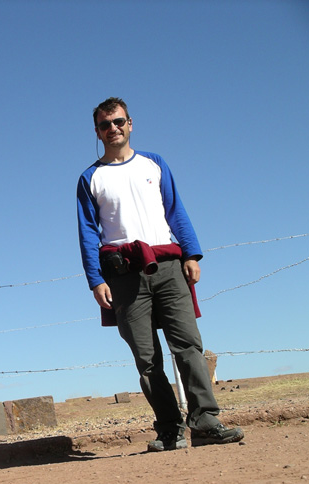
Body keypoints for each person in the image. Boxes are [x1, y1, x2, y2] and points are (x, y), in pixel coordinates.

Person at [76, 98, 244, 452]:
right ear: (97, 132)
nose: (113, 129)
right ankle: (170, 430)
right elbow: (88, 232)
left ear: (130, 123)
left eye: (118, 121)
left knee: (188, 345)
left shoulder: (154, 163)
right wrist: (96, 279)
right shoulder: (91, 178)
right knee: (147, 357)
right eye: (105, 125)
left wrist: (191, 253)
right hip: (123, 274)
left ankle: (205, 422)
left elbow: (175, 210)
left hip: (168, 266)